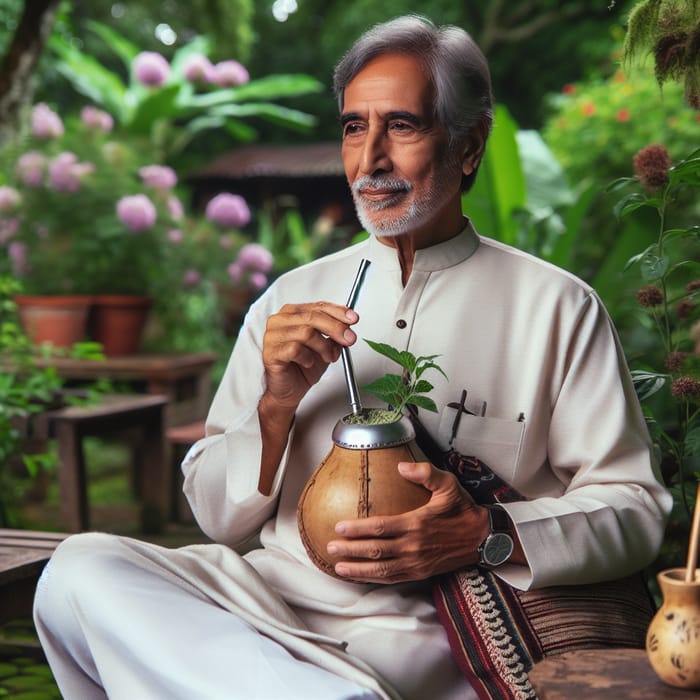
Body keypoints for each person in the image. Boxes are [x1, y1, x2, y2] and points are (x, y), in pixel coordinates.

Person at [33, 14, 672, 700]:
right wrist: (276, 406)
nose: (369, 160)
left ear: (469, 145)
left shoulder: (556, 307)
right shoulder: (292, 297)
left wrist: (484, 534)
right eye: (352, 128)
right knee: (78, 570)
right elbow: (216, 519)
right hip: (266, 607)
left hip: (428, 633)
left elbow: (634, 507)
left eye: (401, 126)